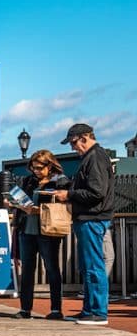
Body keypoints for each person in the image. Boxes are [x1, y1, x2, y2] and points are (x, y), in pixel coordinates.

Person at [54, 123, 116, 325]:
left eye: (73, 143)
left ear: (85, 137)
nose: (73, 147)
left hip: (93, 218)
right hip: (89, 218)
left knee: (93, 266)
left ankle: (98, 312)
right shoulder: (93, 157)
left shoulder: (95, 157)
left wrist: (69, 194)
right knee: (88, 266)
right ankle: (90, 310)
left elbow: (96, 192)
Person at [6, 150, 70, 320]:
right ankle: (25, 309)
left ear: (50, 166)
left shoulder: (61, 181)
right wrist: (15, 204)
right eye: (33, 168)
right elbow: (22, 200)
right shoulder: (29, 180)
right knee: (27, 269)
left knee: (52, 268)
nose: (36, 171)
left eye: (40, 168)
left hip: (48, 231)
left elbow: (63, 205)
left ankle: (56, 309)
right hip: (27, 230)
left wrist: (38, 210)